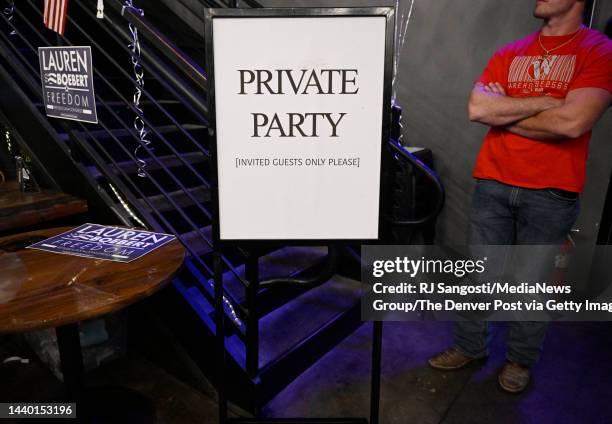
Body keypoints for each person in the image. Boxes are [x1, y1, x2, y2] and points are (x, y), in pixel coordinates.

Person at [428, 0, 612, 393]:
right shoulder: (509, 52)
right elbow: (478, 109)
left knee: (533, 284)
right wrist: (547, 103)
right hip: (493, 182)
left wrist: (506, 112)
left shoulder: (597, 50)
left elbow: (573, 122)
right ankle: (469, 347)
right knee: (478, 276)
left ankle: (519, 361)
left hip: (552, 191)